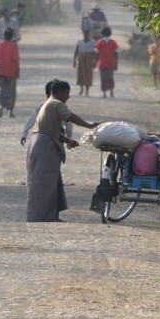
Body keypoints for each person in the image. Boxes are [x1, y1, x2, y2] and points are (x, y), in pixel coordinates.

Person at [26, 80, 99, 222]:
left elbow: (52, 130)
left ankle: (51, 215)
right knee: (43, 182)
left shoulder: (49, 104)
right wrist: (89, 125)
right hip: (44, 146)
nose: (68, 96)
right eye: (67, 93)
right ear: (60, 92)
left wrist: (67, 141)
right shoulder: (56, 104)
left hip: (43, 143)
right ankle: (41, 216)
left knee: (51, 180)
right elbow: (71, 117)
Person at [21, 79, 73, 146]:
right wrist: (24, 134)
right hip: (47, 134)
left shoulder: (60, 107)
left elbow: (68, 124)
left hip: (53, 135)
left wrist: (68, 139)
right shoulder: (43, 107)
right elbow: (69, 125)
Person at [0, 27, 20, 118]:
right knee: (12, 92)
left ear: (4, 35)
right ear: (12, 36)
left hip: (0, 72)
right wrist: (17, 70)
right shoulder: (14, 46)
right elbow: (15, 59)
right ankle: (10, 112)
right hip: (11, 73)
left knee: (2, 90)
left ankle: (1, 107)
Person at [94, 26, 119, 98]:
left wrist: (96, 62)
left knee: (103, 78)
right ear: (110, 33)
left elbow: (96, 52)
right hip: (111, 62)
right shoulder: (113, 42)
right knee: (110, 77)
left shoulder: (100, 41)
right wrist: (116, 63)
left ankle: (104, 93)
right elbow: (116, 53)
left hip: (102, 62)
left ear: (102, 33)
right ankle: (111, 92)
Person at [73, 29, 97, 96]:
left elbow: (95, 53)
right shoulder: (80, 42)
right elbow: (76, 52)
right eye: (85, 34)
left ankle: (87, 91)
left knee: (88, 75)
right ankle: (81, 89)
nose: (86, 35)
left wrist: (95, 62)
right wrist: (74, 61)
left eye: (87, 34)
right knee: (80, 75)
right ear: (83, 34)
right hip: (80, 61)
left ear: (89, 35)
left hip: (89, 62)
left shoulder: (93, 42)